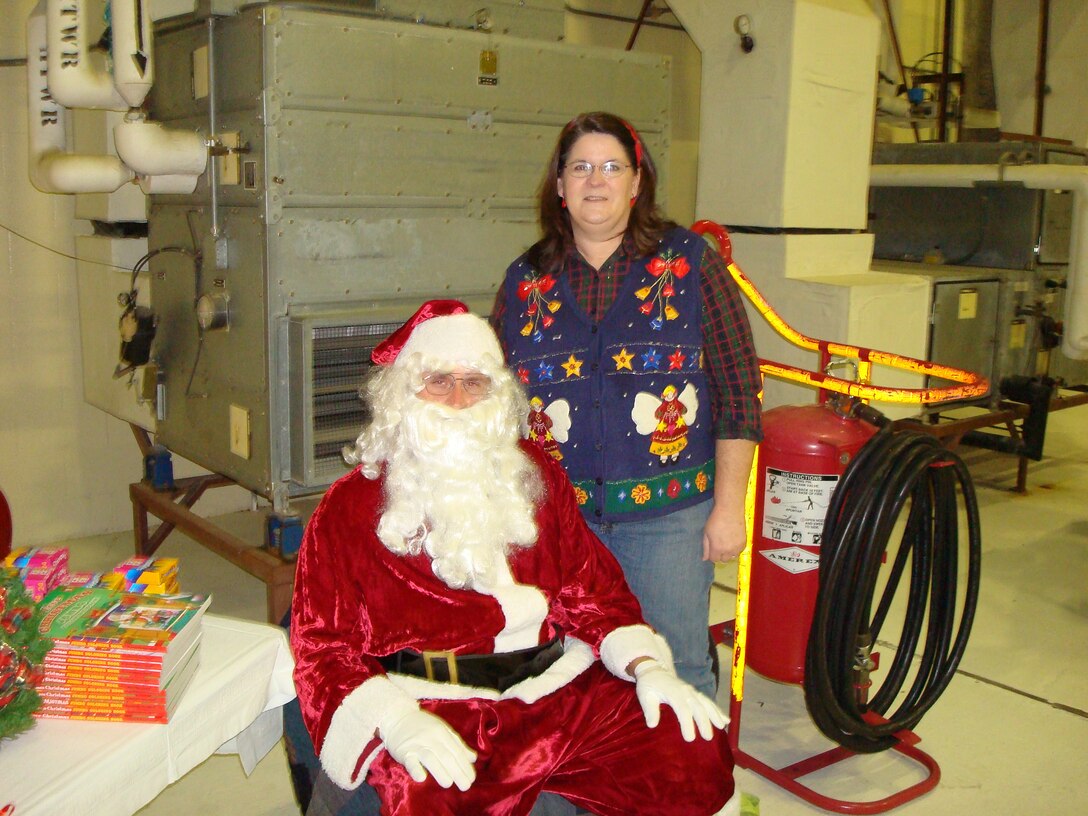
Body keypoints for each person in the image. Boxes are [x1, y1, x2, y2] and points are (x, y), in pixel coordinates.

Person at [291, 300, 739, 816]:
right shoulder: (350, 506)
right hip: (438, 705)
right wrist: (395, 720)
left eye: (475, 382)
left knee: (690, 755)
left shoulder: (536, 476)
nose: (458, 399)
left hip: (561, 692)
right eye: (438, 381)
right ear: (402, 395)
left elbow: (594, 594)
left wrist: (646, 667)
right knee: (427, 800)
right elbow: (321, 645)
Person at [492, 112, 764, 698]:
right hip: (563, 522)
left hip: (668, 519)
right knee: (573, 664)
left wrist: (729, 509)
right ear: (559, 186)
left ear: (637, 184)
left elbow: (739, 387)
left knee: (677, 661)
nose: (597, 180)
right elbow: (497, 402)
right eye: (581, 167)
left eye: (612, 167)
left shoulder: (690, 263)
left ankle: (695, 788)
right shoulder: (524, 281)